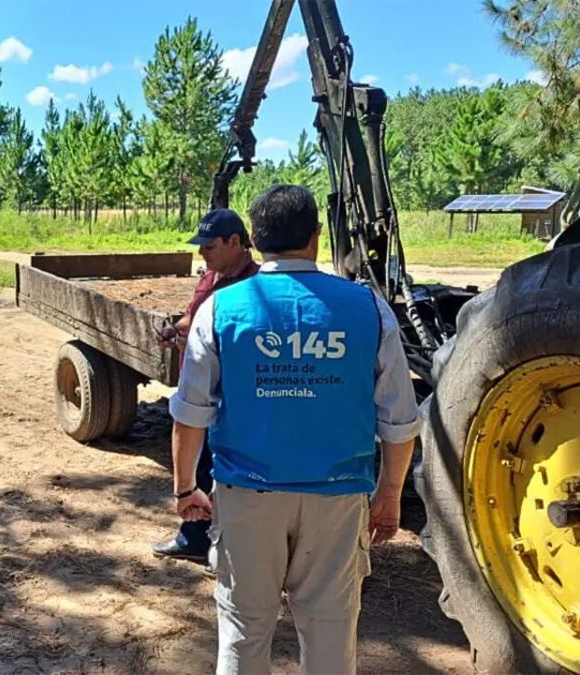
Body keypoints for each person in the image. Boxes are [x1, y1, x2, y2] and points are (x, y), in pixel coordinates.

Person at [169, 185, 419, 674]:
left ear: (255, 240)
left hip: (247, 499)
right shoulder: (367, 309)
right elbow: (399, 421)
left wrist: (184, 488)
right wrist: (389, 493)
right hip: (338, 500)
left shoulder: (220, 309)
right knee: (330, 636)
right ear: (316, 237)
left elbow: (190, 412)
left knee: (242, 634)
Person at [153, 208, 259, 565]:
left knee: (224, 471)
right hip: (200, 391)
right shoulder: (211, 278)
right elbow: (192, 315)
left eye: (209, 246)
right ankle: (195, 538)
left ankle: (227, 549)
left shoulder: (253, 285)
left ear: (235, 243)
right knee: (198, 467)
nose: (202, 253)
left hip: (230, 398)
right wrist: (176, 331)